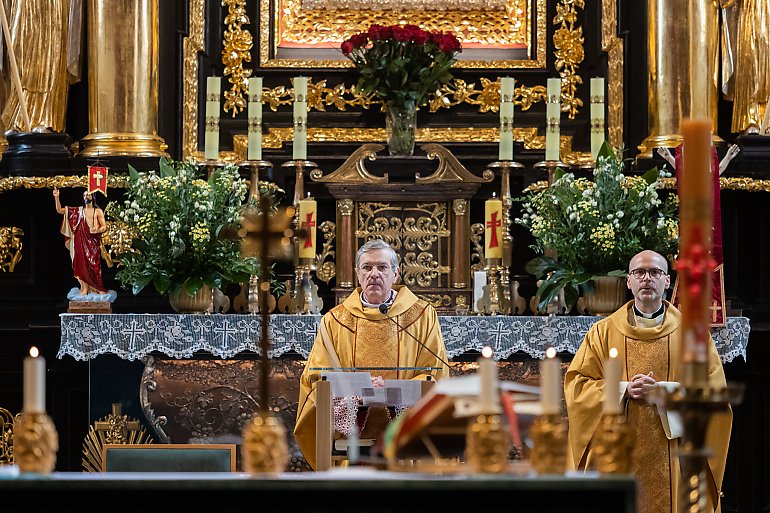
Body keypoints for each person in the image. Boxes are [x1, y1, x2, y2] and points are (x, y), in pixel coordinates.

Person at [564, 250, 732, 513]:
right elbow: (577, 386)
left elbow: (714, 391)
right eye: (639, 273)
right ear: (629, 282)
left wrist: (664, 392)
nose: (646, 279)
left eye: (655, 272)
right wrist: (622, 389)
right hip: (617, 450)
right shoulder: (603, 332)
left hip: (676, 455)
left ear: (667, 281)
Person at [294, 238, 450, 470]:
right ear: (357, 274)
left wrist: (389, 391)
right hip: (349, 444)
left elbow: (435, 375)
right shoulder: (335, 321)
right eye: (367, 267)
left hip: (405, 442)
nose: (374, 274)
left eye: (382, 267)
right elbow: (316, 379)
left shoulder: (422, 316)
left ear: (395, 274)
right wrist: (358, 395)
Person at [54, 188, 107, 296]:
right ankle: (84, 288)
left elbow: (104, 227)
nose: (86, 197)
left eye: (89, 195)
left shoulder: (98, 211)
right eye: (85, 195)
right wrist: (56, 197)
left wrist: (97, 230)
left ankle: (97, 287)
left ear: (93, 197)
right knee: (80, 264)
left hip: (93, 243)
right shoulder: (77, 211)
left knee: (94, 265)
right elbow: (60, 210)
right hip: (79, 242)